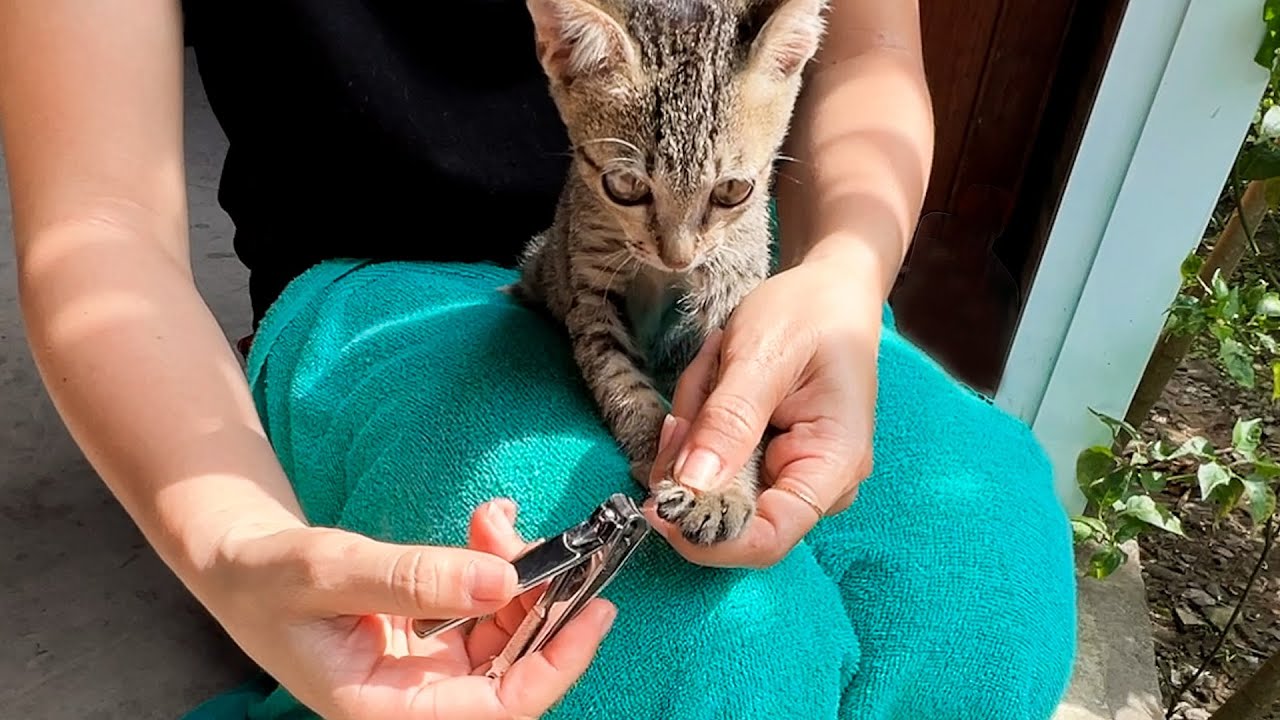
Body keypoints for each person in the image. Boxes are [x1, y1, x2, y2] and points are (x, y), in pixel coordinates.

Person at [0, 1, 1078, 719]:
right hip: (376, 267)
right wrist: (232, 544)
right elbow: (97, 219)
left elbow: (867, 53)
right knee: (683, 652)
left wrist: (845, 270)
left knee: (983, 578)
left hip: (739, 270)